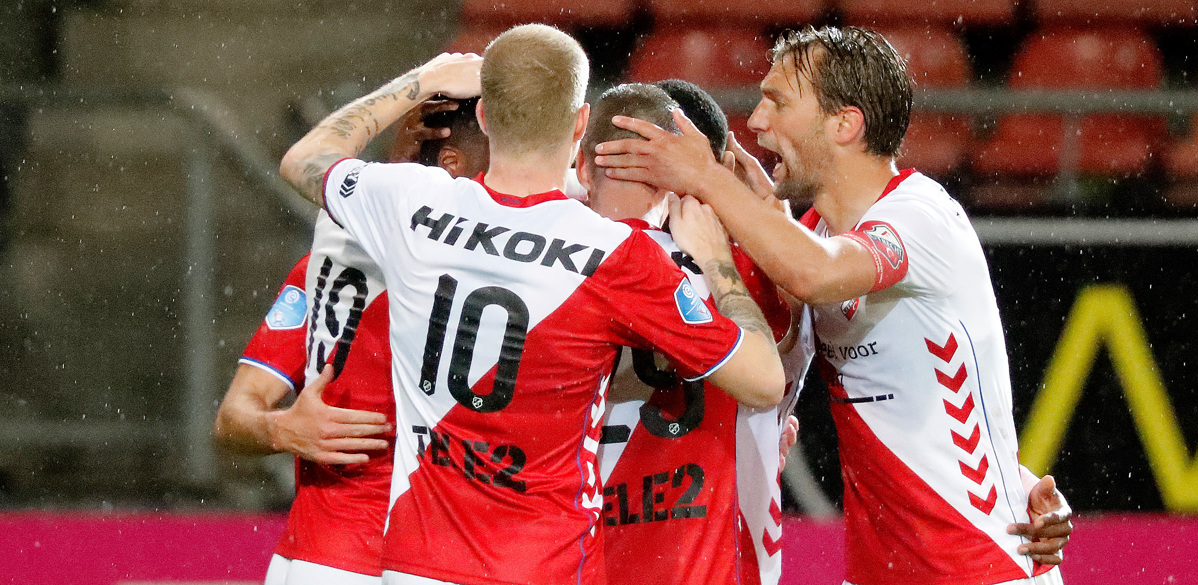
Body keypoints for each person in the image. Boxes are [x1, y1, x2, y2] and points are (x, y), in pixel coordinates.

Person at [277, 24, 784, 585]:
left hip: (416, 560)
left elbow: (306, 158)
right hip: (538, 563)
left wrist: (421, 80)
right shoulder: (617, 256)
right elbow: (764, 381)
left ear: (485, 117)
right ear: (579, 124)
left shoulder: (412, 204)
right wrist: (717, 262)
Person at [595, 26, 1071, 584]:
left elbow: (814, 273)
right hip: (880, 572)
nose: (757, 122)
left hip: (979, 568)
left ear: (845, 124)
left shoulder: (919, 216)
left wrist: (706, 177)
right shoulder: (814, 230)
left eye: (778, 102)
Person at [214, 98, 489, 585]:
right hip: (339, 558)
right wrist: (281, 429)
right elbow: (232, 419)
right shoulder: (327, 270)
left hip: (429, 558)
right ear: (451, 167)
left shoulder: (503, 276)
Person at [580, 83, 802, 585]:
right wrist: (767, 218)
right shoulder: (746, 269)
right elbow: (792, 356)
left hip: (579, 556)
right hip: (714, 562)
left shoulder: (546, 265)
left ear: (583, 166)